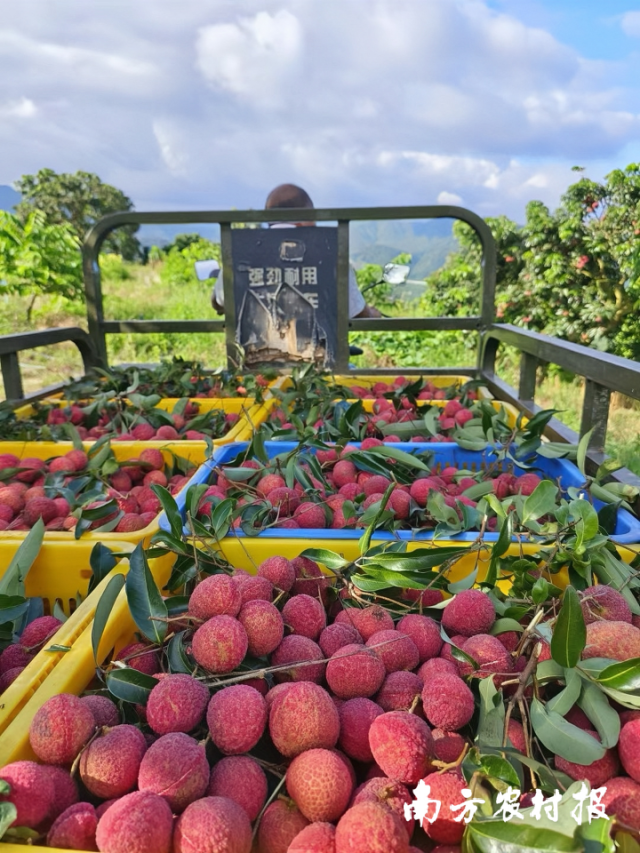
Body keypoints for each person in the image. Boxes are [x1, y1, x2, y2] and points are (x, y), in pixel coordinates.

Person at [211, 183, 382, 318]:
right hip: (323, 361)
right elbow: (357, 313)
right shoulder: (331, 254)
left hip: (255, 360)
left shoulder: (240, 253)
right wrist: (372, 314)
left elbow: (219, 302)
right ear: (308, 218)